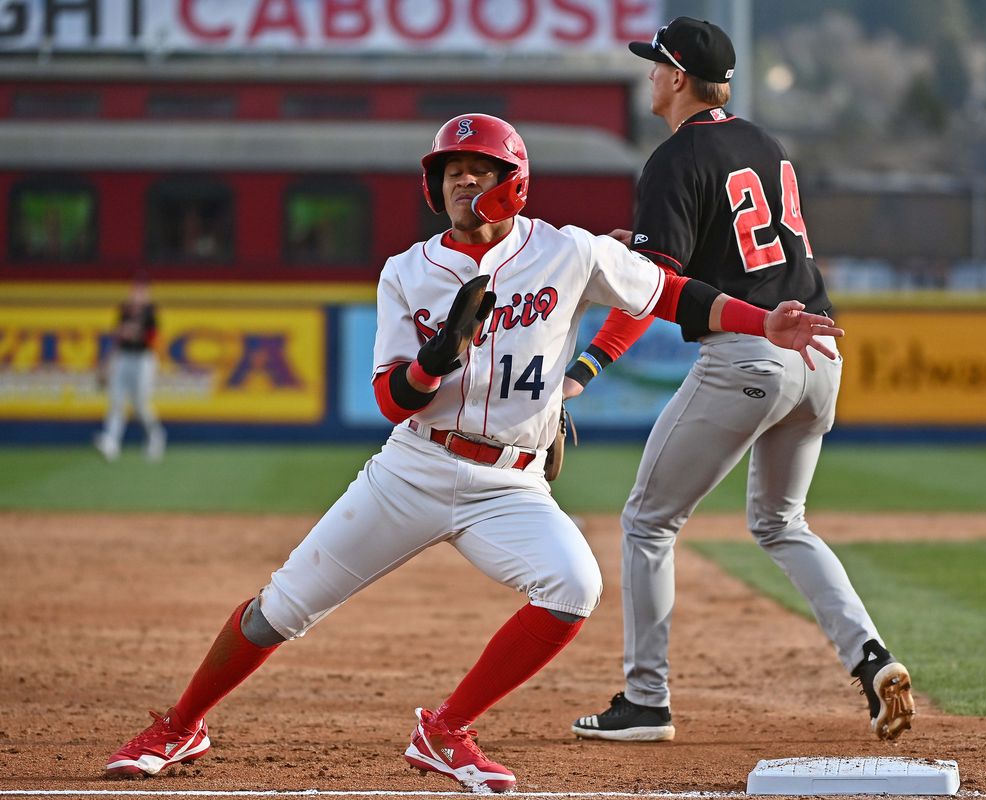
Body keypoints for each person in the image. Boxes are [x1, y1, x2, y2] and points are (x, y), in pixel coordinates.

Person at [103, 113, 844, 792]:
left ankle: (445, 730)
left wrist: (759, 323)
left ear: (513, 183)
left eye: (479, 167)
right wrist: (435, 359)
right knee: (280, 609)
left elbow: (670, 294)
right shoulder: (407, 271)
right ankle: (180, 726)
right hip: (414, 468)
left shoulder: (568, 252)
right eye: (451, 168)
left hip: (511, 484)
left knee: (573, 586)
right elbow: (394, 399)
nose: (462, 178)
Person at [567, 17, 915, 744]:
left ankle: (646, 700)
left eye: (655, 65)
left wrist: (588, 367)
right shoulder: (763, 142)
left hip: (748, 354)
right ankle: (870, 657)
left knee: (647, 521)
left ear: (679, 77)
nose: (649, 76)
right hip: (819, 357)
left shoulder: (672, 159)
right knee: (782, 523)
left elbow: (653, 288)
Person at [94, 275, 167, 462]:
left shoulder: (150, 313)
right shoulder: (125, 311)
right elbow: (117, 338)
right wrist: (107, 363)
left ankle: (155, 436)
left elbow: (153, 340)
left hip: (143, 360)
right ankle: (111, 442)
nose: (137, 294)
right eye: (135, 290)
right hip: (123, 358)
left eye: (141, 291)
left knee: (140, 404)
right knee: (116, 399)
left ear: (147, 294)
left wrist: (134, 334)